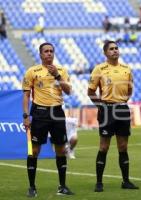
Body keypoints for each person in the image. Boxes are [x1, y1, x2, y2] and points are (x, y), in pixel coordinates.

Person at [22, 42, 74, 197]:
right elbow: (26, 95)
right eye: (46, 51)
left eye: (51, 51)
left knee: (60, 149)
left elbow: (69, 91)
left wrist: (57, 76)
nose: (49, 53)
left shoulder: (62, 71)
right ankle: (32, 187)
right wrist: (25, 116)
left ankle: (62, 186)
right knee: (34, 150)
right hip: (40, 113)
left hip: (57, 112)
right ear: (40, 54)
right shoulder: (32, 71)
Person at [88, 41, 139, 192]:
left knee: (123, 147)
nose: (115, 51)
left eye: (116, 48)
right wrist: (102, 106)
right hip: (106, 110)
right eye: (111, 49)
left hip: (122, 110)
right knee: (104, 147)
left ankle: (126, 181)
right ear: (105, 53)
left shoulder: (126, 69)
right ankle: (99, 182)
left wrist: (121, 102)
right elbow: (90, 92)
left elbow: (129, 91)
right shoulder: (99, 69)